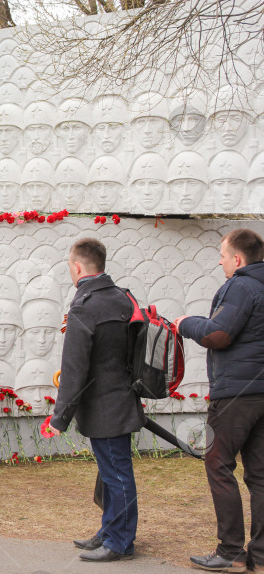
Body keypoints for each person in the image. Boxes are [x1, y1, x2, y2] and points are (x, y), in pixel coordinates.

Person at [46, 237, 143, 562]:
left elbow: (74, 369)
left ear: (77, 266)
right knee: (111, 472)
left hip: (104, 407)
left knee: (116, 474)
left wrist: (59, 418)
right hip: (122, 400)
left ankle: (120, 542)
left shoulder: (86, 305)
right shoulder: (122, 298)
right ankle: (110, 530)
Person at [174, 228, 264, 574]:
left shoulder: (241, 285)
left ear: (237, 259)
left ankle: (231, 552)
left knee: (217, 462)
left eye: (223, 256)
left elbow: (217, 334)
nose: (221, 261)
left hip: (237, 394)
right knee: (259, 475)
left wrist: (186, 323)